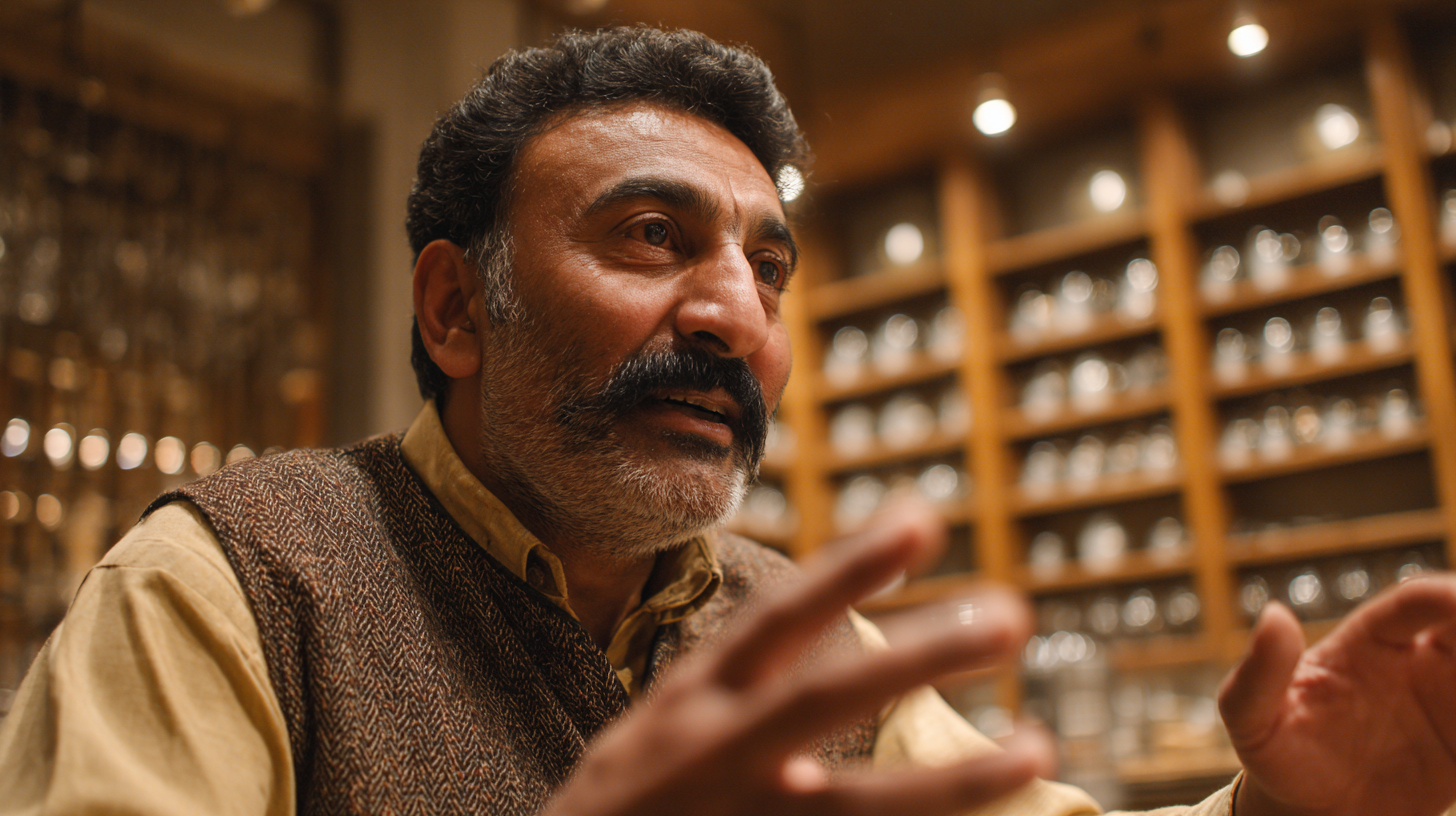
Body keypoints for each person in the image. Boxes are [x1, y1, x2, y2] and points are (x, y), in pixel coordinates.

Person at [2, 25, 1454, 816]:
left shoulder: (806, 630)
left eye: (766, 267)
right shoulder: (237, 581)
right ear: (455, 311)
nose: (736, 319)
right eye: (649, 236)